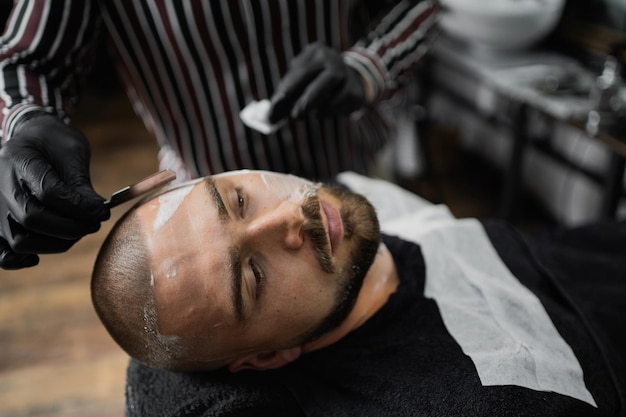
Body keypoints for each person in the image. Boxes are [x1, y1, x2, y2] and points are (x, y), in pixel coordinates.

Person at [91, 169, 626, 417]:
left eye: (238, 199)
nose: (290, 216)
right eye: (253, 276)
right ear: (269, 357)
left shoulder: (350, 206)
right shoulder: (484, 401)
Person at [0, 0, 440, 270]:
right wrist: (26, 121)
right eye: (251, 276)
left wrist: (367, 67)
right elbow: (29, 60)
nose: (288, 223)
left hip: (356, 163)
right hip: (200, 173)